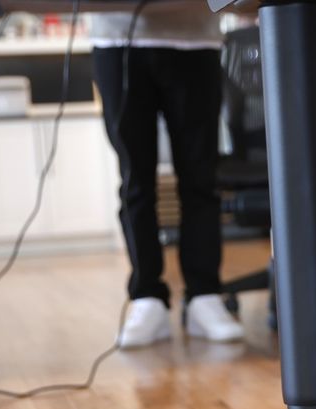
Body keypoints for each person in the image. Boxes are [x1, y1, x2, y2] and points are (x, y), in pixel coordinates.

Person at [91, 5, 243, 348]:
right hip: (118, 40)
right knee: (135, 181)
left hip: (194, 41)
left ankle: (205, 294)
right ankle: (147, 298)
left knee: (200, 179)